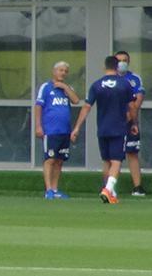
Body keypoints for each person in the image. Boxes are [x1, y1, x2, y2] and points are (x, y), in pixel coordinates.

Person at [71, 56, 138, 204]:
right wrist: (134, 123)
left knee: (107, 161)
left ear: (104, 67)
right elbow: (132, 106)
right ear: (117, 67)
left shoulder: (96, 85)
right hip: (119, 127)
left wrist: (77, 127)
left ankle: (110, 193)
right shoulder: (124, 84)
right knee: (116, 160)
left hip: (102, 128)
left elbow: (86, 107)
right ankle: (108, 189)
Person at [35, 61, 80, 199]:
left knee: (60, 160)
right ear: (54, 71)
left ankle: (55, 189)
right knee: (50, 159)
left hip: (64, 131)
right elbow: (38, 106)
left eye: (65, 71)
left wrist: (65, 87)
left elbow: (76, 100)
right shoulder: (46, 87)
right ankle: (48, 189)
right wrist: (38, 126)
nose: (63, 73)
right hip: (51, 130)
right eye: (61, 70)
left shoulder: (67, 88)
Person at [114, 50, 146, 196]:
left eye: (125, 60)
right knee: (113, 155)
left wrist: (130, 116)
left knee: (132, 152)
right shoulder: (110, 79)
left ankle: (137, 187)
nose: (122, 63)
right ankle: (109, 187)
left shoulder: (134, 78)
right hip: (113, 122)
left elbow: (138, 99)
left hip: (131, 122)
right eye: (119, 60)